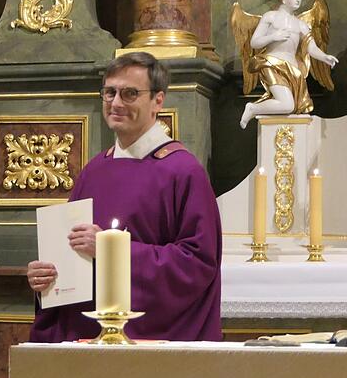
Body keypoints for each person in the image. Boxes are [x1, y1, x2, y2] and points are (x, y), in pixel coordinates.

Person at [27, 52, 222, 343]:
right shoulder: (94, 170)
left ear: (158, 100)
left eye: (130, 93)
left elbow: (197, 264)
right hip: (88, 339)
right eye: (109, 92)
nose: (116, 103)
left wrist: (111, 250)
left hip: (151, 344)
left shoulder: (183, 171)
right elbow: (74, 256)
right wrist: (48, 278)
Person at [235, 0, 338, 129]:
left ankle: (258, 110)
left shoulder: (301, 24)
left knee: (291, 106)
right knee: (287, 104)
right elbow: (254, 42)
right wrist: (273, 37)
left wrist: (325, 57)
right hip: (272, 64)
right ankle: (253, 108)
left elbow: (311, 48)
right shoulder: (270, 17)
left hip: (294, 71)